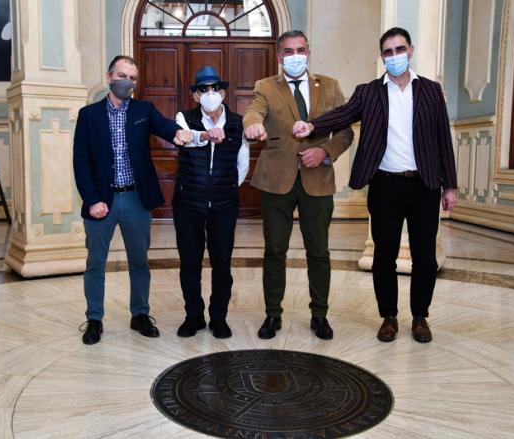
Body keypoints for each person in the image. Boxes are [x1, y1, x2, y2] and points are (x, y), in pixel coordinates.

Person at [293, 27, 458, 343]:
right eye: (388, 52)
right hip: (385, 186)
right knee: (384, 256)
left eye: (400, 49)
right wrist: (312, 126)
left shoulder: (431, 91)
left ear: (410, 51)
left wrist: (449, 185)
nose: (394, 56)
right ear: (382, 56)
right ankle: (389, 317)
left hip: (424, 185)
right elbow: (342, 114)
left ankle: (420, 317)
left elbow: (442, 139)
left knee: (425, 257)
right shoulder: (369, 92)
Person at [73, 55, 193, 345]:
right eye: (122, 76)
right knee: (96, 263)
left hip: (136, 200)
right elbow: (81, 161)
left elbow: (164, 126)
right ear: (109, 77)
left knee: (139, 261)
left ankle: (140, 314)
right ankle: (94, 319)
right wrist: (92, 200)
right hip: (102, 202)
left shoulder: (143, 110)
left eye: (133, 78)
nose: (128, 82)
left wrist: (178, 133)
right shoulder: (89, 115)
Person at [243, 30, 353, 340]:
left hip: (317, 181)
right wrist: (252, 125)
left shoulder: (329, 86)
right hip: (276, 181)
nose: (295, 56)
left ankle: (320, 314)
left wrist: (324, 152)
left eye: (300, 50)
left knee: (318, 252)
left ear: (308, 52)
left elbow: (344, 132)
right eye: (289, 51)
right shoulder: (266, 86)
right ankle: (272, 314)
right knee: (274, 251)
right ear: (280, 57)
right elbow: (254, 111)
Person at [172, 66, 249, 339]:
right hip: (188, 203)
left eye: (215, 88)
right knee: (190, 263)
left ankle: (218, 318)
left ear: (224, 93)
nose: (210, 93)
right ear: (195, 95)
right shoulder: (184, 118)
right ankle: (193, 316)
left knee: (222, 264)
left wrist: (224, 188)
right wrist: (205, 135)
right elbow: (186, 141)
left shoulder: (238, 122)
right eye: (203, 89)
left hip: (224, 204)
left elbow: (242, 164)